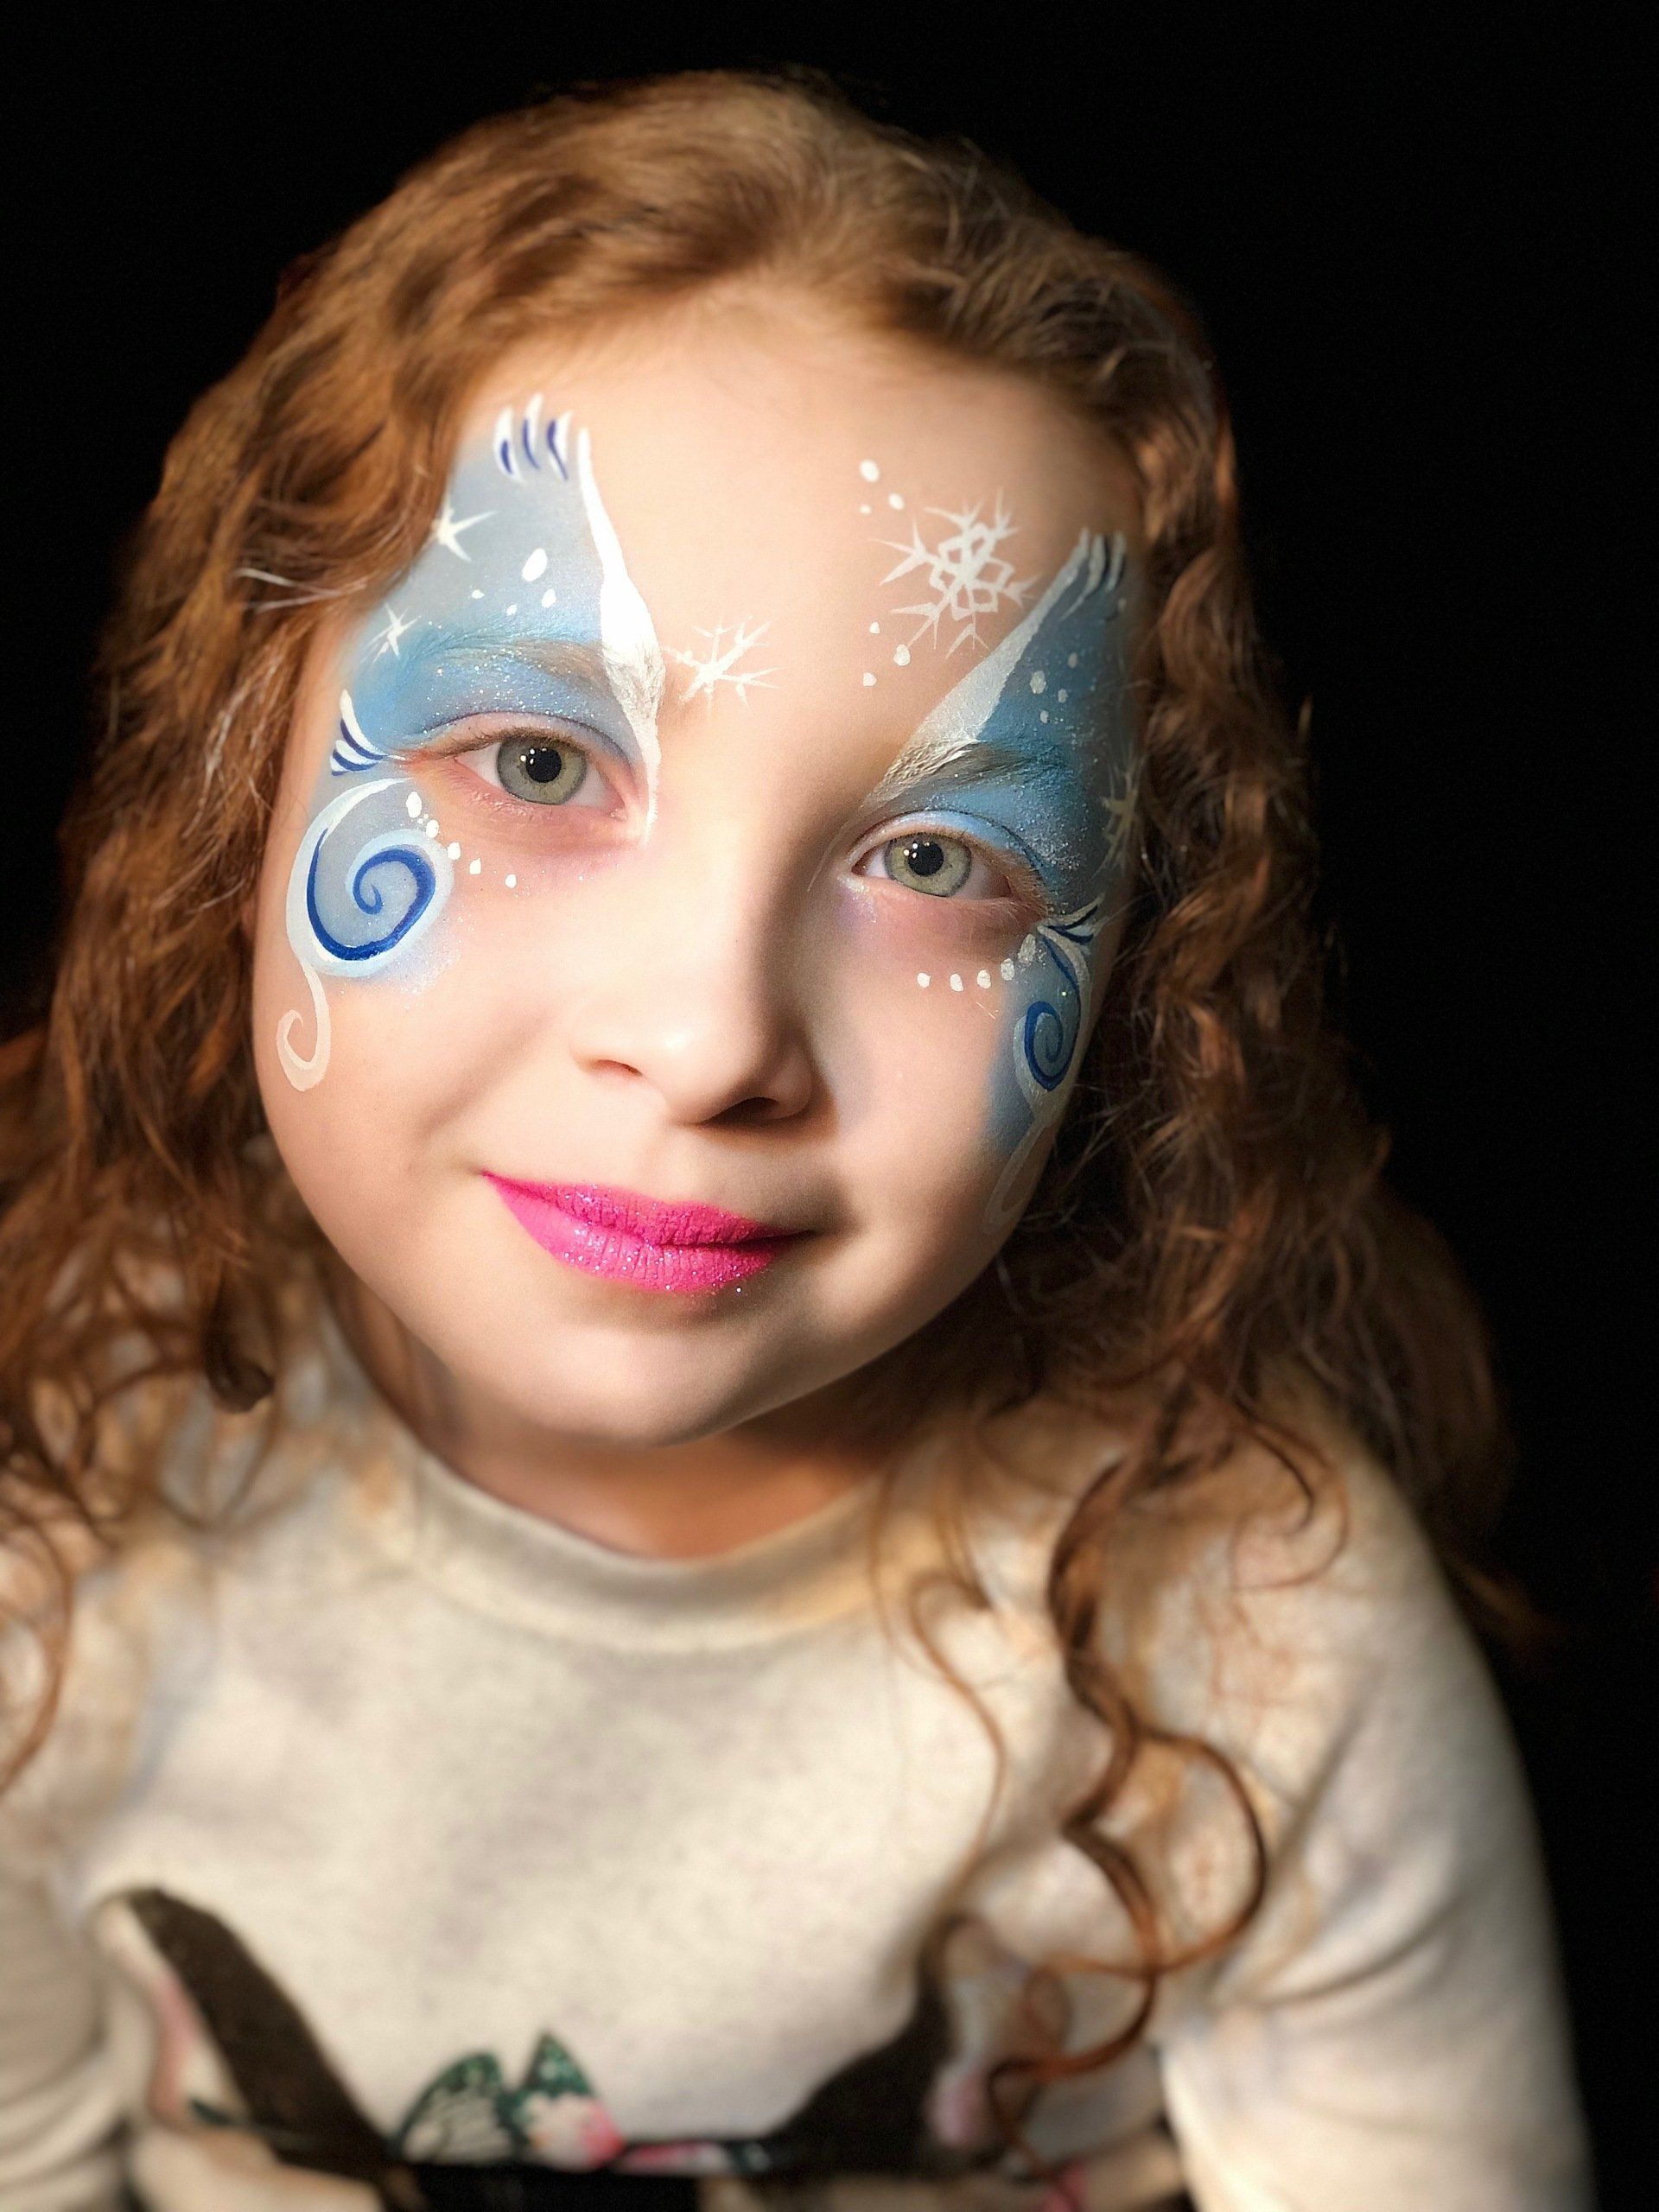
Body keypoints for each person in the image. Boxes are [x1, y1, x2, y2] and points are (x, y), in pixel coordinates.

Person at [0, 66, 1592, 2212]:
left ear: (1136, 975)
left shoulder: (1245, 1621)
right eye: (540, 760)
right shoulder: (45, 1489)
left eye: (937, 854)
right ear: (235, 781)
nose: (710, 1033)